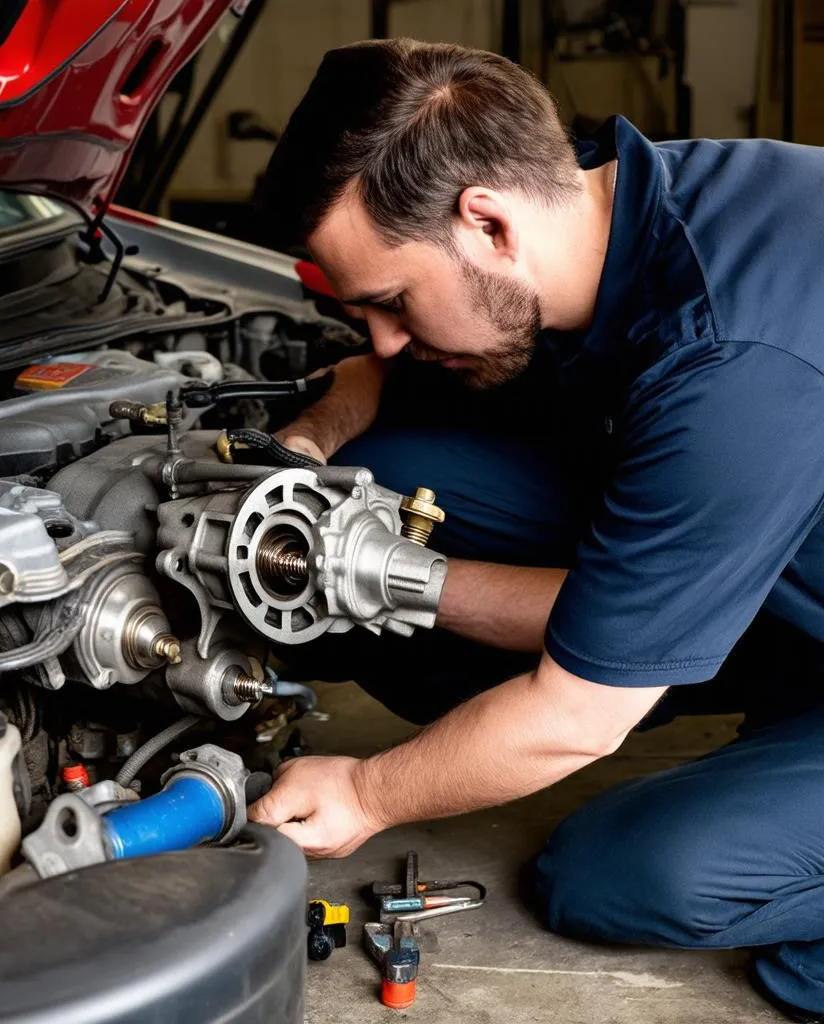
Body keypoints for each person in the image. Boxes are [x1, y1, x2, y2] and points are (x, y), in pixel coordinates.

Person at [244, 38, 824, 1021]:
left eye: (390, 302)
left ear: (487, 222)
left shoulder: (729, 361)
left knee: (623, 874)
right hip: (779, 569)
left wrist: (369, 791)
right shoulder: (606, 212)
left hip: (775, 563)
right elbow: (369, 378)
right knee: (385, 476)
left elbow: (574, 718)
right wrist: (302, 457)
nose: (380, 335)